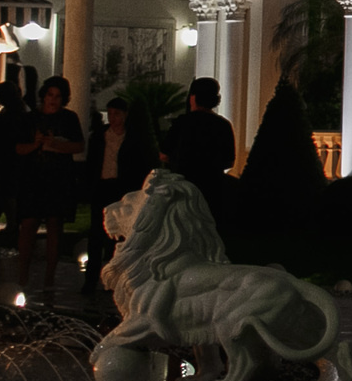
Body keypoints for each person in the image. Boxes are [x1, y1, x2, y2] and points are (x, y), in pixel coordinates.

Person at [13, 77, 84, 301]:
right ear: (43, 95)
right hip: (33, 178)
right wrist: (36, 144)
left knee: (55, 225)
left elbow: (79, 145)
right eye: (50, 95)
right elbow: (18, 148)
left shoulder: (69, 118)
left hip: (58, 179)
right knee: (28, 225)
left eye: (58, 97)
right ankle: (22, 275)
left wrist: (55, 145)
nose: (53, 100)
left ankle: (49, 278)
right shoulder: (29, 119)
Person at [81, 96, 158, 294]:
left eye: (117, 114)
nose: (113, 118)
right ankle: (91, 280)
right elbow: (92, 163)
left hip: (120, 188)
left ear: (124, 115)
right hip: (102, 187)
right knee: (96, 234)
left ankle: (113, 278)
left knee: (115, 236)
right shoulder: (100, 136)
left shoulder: (131, 138)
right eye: (111, 114)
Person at [163, 77, 237, 212]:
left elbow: (164, 155)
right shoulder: (223, 125)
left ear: (193, 97)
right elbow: (229, 161)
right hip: (213, 189)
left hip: (182, 189)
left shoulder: (182, 123)